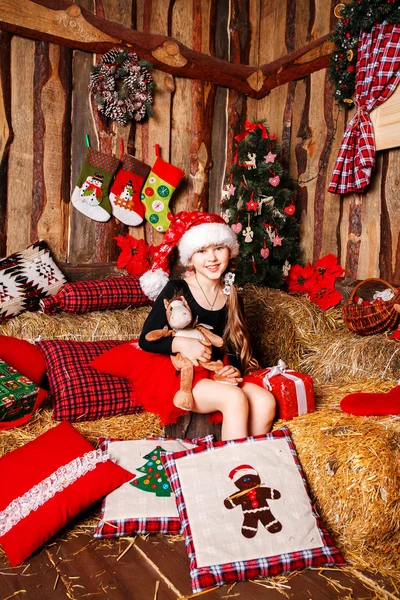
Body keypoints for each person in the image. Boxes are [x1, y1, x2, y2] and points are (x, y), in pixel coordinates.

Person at [135, 210, 276, 441]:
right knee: (234, 398)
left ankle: (249, 461)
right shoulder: (177, 289)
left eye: (218, 248)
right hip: (181, 374)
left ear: (230, 252)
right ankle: (236, 469)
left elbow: (231, 340)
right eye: (202, 251)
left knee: (265, 401)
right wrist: (181, 342)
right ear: (190, 258)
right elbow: (145, 339)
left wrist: (235, 368)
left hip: (214, 369)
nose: (211, 258)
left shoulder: (231, 295)